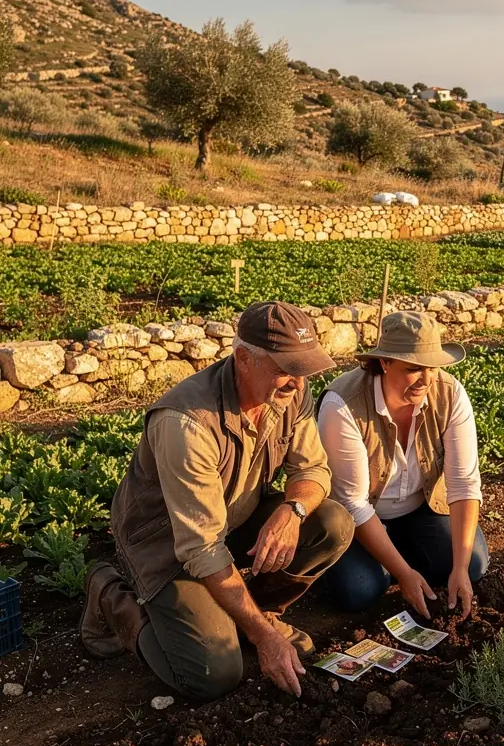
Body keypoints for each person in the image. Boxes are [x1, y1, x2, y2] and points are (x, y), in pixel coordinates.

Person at [79, 301, 354, 702]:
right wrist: (264, 641)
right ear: (244, 358)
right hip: (164, 543)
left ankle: (255, 615)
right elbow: (201, 547)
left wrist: (291, 511)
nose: (298, 383)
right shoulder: (185, 423)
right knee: (213, 676)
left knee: (330, 524)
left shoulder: (292, 390)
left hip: (231, 520)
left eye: (304, 370)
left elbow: (313, 471)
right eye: (285, 370)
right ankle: (110, 594)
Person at [316, 310, 488, 621]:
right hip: (357, 521)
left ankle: (397, 554)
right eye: (413, 369)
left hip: (418, 509)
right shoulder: (343, 405)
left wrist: (460, 568)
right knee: (360, 590)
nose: (426, 380)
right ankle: (363, 564)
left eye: (432, 368)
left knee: (473, 564)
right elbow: (353, 503)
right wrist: (404, 573)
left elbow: (464, 482)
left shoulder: (449, 394)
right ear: (384, 363)